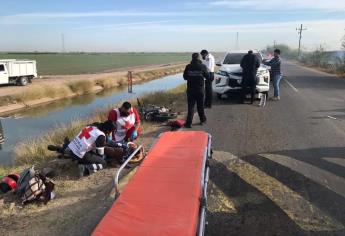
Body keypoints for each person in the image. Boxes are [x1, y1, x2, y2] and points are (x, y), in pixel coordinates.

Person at [183, 53, 210, 128]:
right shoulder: (203, 66)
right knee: (200, 106)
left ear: (192, 58)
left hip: (190, 90)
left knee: (191, 107)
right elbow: (207, 77)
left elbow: (185, 77)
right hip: (200, 90)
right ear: (199, 58)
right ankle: (202, 120)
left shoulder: (188, 66)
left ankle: (188, 123)